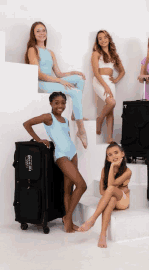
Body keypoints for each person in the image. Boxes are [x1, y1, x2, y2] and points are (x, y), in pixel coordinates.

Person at [23, 92, 87, 233]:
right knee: (82, 186)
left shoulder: (65, 120)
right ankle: (67, 218)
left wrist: (74, 151)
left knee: (68, 189)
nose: (60, 105)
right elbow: (27, 124)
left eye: (63, 103)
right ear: (51, 103)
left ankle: (68, 225)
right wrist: (39, 140)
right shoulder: (48, 117)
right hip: (61, 156)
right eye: (56, 102)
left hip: (73, 153)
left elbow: (66, 137)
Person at [24, 21, 88, 149]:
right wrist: (59, 81)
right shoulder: (32, 50)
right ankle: (81, 130)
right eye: (38, 31)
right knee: (74, 92)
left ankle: (75, 114)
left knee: (80, 79)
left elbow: (58, 73)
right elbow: (39, 74)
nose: (42, 33)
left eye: (43, 30)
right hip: (41, 84)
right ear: (33, 34)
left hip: (52, 81)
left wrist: (74, 72)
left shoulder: (50, 52)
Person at [77, 142, 132, 248]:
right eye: (110, 155)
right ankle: (103, 235)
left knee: (111, 189)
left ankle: (92, 220)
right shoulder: (104, 170)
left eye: (116, 153)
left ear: (122, 154)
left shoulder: (127, 171)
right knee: (110, 199)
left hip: (123, 201)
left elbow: (111, 186)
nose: (113, 156)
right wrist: (111, 168)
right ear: (107, 159)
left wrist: (112, 167)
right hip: (113, 198)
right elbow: (102, 192)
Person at [92, 30, 125, 143]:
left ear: (109, 39)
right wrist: (105, 86)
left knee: (111, 109)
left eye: (105, 37)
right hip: (99, 81)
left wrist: (115, 80)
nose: (103, 40)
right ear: (97, 41)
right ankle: (99, 119)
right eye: (100, 38)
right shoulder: (96, 53)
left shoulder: (114, 55)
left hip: (110, 82)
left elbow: (122, 71)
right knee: (111, 102)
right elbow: (96, 73)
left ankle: (109, 138)